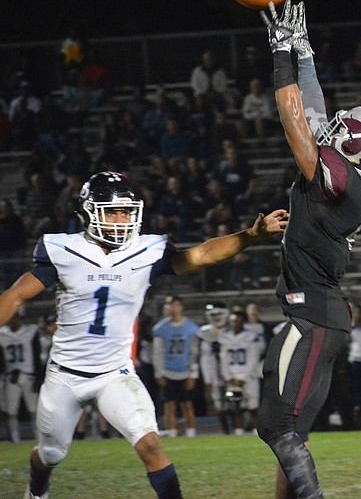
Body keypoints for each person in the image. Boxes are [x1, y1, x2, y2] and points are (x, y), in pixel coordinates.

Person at [0, 170, 287, 499]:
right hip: (65, 375)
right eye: (111, 211)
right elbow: (16, 296)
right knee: (51, 454)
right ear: (88, 212)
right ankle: (37, 488)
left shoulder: (146, 250)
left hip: (115, 373)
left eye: (126, 211)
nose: (120, 219)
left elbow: (202, 255)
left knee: (150, 443)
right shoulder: (64, 250)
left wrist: (250, 235)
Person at [255, 0, 361, 499]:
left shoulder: (340, 184)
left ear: (356, 151)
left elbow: (297, 123)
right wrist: (306, 54)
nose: (333, 131)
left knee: (276, 428)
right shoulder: (351, 183)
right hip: (325, 318)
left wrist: (279, 55)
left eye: (343, 133)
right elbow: (315, 116)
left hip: (311, 317)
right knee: (293, 435)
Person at [153, 296, 200, 438]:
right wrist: (159, 373)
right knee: (170, 404)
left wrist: (193, 373)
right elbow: (157, 352)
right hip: (168, 370)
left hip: (185, 370)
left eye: (176, 305)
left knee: (188, 404)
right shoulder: (161, 328)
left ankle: (191, 433)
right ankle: (172, 433)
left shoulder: (191, 327)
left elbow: (194, 352)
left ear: (181, 307)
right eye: (170, 306)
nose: (173, 309)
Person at [220, 309, 266, 435]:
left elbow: (253, 358)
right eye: (233, 322)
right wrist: (228, 377)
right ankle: (238, 432)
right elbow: (223, 359)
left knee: (253, 406)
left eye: (238, 321)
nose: (235, 324)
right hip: (233, 377)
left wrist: (244, 377)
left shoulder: (250, 337)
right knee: (235, 406)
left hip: (249, 377)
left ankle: (256, 431)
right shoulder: (225, 338)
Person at [0, 309, 42, 443]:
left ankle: (39, 439)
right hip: (10, 376)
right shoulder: (2, 334)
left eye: (15, 318)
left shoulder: (30, 332)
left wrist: (38, 378)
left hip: (28, 375)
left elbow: (36, 356)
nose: (13, 321)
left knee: (34, 410)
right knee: (11, 412)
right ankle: (15, 440)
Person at [196, 302, 230, 433]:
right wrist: (208, 379)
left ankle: (241, 429)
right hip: (214, 370)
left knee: (238, 401)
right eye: (213, 315)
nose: (216, 317)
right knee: (218, 402)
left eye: (219, 314)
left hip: (232, 371)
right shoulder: (205, 332)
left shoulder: (233, 329)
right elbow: (204, 357)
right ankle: (226, 430)